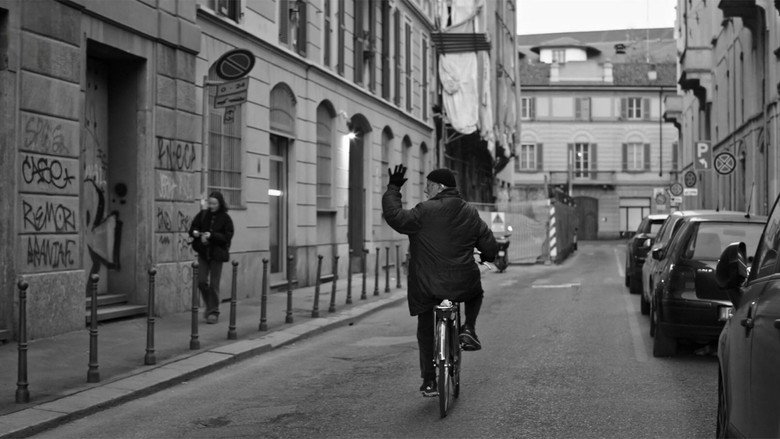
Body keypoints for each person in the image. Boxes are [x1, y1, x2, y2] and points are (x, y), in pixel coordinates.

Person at [382, 165, 498, 397]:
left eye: (428, 187)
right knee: (476, 292)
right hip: (461, 282)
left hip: (426, 285)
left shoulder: (424, 211)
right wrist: (487, 257)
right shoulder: (469, 212)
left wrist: (394, 189)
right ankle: (468, 329)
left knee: (425, 330)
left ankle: (429, 381)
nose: (426, 192)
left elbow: (395, 217)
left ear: (438, 187)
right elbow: (489, 245)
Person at [188, 191, 235, 324]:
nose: (212, 206)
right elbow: (192, 228)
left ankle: (213, 312)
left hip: (217, 255)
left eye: (214, 203)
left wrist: (211, 235)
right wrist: (195, 232)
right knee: (201, 281)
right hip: (203, 253)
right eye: (210, 203)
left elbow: (227, 237)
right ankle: (211, 306)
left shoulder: (225, 218)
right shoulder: (203, 215)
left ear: (220, 204)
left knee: (214, 284)